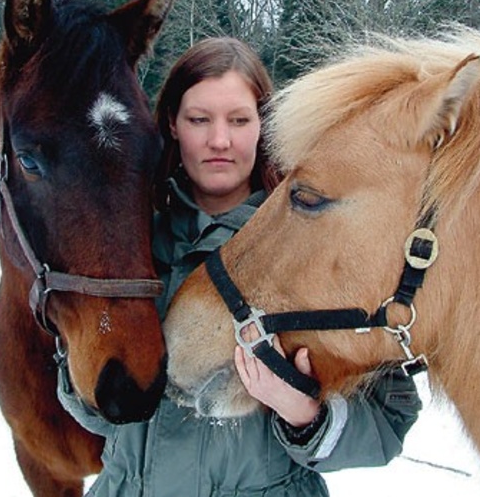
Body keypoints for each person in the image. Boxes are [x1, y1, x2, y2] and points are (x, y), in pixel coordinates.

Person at [58, 36, 422, 497]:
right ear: (171, 124)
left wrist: (305, 414)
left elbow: (387, 423)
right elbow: (91, 411)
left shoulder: (323, 239)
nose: (219, 140)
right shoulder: (125, 246)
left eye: (239, 120)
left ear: (264, 126)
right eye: (199, 119)